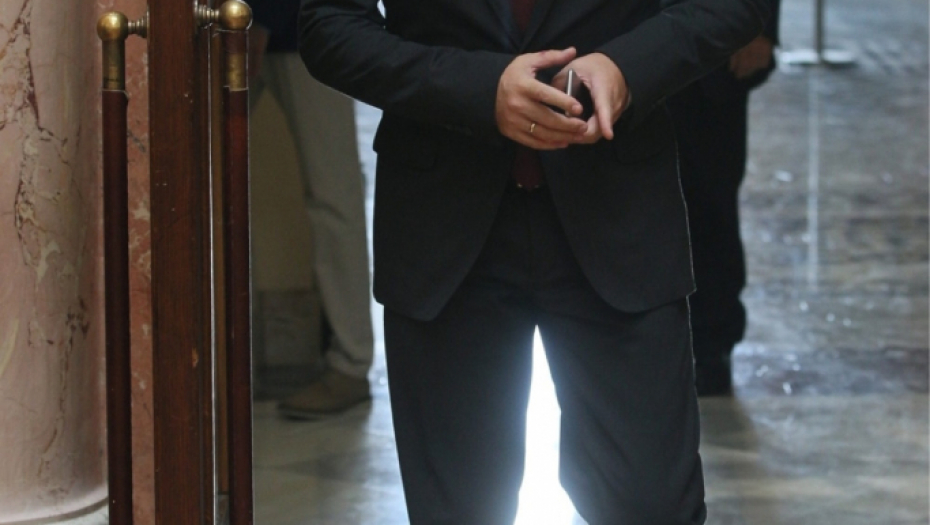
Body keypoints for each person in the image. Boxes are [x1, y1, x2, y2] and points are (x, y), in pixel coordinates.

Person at [299, 0, 769, 522]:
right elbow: (329, 25)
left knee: (653, 503)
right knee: (457, 509)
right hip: (443, 229)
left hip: (618, 214)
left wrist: (626, 68)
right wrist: (478, 88)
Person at [248, 0, 375, 417]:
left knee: (334, 196)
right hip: (228, 21)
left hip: (308, 26)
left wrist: (262, 18)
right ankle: (218, 358)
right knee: (199, 184)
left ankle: (351, 364)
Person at [667, 0, 781, 396]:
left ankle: (710, 346)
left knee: (710, 198)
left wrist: (762, 25)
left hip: (713, 42)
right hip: (618, 38)